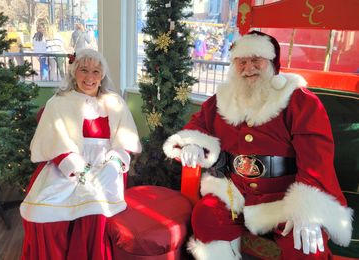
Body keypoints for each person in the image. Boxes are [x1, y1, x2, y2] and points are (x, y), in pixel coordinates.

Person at [163, 31, 353, 259]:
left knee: (306, 247)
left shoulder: (300, 101)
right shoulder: (222, 99)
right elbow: (199, 124)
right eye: (241, 62)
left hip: (284, 198)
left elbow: (317, 160)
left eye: (256, 60)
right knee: (206, 217)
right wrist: (192, 143)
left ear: (272, 63)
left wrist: (308, 207)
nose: (248, 67)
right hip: (234, 193)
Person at [20, 48, 142, 259]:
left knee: (92, 214)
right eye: (84, 70)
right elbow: (52, 141)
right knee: (42, 216)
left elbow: (125, 140)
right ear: (74, 72)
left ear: (102, 75)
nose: (89, 77)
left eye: (96, 71)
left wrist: (114, 164)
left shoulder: (115, 102)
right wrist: (76, 167)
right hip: (66, 164)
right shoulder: (58, 103)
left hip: (106, 166)